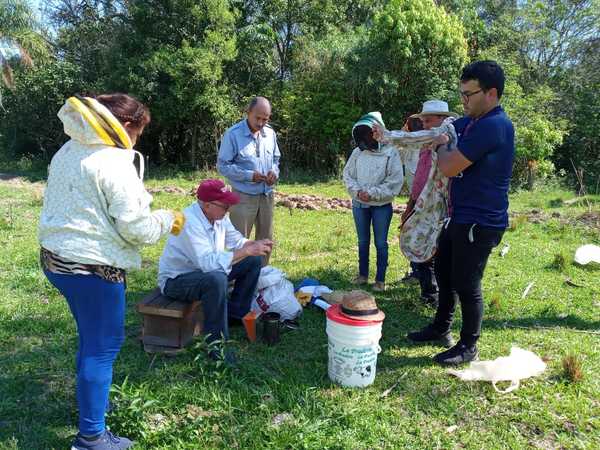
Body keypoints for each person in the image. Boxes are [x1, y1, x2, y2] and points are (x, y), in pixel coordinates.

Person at [39, 94, 185, 450]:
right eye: (139, 132)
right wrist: (168, 219)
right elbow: (136, 229)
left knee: (91, 340)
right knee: (103, 347)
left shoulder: (70, 149)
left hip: (56, 258)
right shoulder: (115, 162)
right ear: (128, 126)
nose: (138, 140)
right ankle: (91, 437)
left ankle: (93, 405)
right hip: (93, 267)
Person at [406, 60, 515, 365]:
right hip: (459, 215)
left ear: (491, 93)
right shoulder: (472, 122)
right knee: (443, 271)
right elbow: (440, 131)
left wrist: (441, 146)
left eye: (469, 94)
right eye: (462, 95)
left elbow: (450, 165)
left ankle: (469, 345)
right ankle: (441, 327)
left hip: (481, 220)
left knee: (467, 282)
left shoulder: (495, 125)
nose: (463, 101)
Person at [158, 179, 273, 362]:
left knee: (252, 260)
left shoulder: (218, 216)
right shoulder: (189, 222)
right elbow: (208, 264)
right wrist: (245, 250)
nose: (228, 209)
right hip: (177, 281)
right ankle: (217, 346)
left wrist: (252, 245)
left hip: (205, 272)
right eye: (224, 206)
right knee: (217, 279)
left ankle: (234, 315)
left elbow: (235, 240)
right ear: (206, 205)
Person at [401, 100, 458, 306]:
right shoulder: (427, 144)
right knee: (419, 245)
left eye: (428, 120)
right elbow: (419, 178)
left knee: (434, 251)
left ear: (442, 120)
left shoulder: (450, 143)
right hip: (420, 203)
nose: (424, 124)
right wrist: (411, 204)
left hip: (438, 207)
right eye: (423, 120)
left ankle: (436, 295)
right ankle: (428, 291)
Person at [343, 112, 404, 292]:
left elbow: (394, 182)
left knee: (380, 243)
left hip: (381, 206)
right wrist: (357, 192)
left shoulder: (391, 152)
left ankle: (380, 280)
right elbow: (348, 175)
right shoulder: (357, 153)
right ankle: (362, 275)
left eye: (370, 133)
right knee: (362, 242)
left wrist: (372, 194)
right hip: (359, 204)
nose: (367, 138)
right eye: (364, 134)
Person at [217, 96, 280, 264]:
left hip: (266, 195)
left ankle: (262, 277)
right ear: (248, 112)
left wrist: (274, 172)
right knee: (239, 240)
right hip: (242, 196)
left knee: (266, 239)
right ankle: (236, 283)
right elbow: (223, 165)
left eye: (265, 119)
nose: (260, 123)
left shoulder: (270, 134)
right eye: (257, 118)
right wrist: (249, 175)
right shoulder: (233, 134)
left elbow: (276, 159)